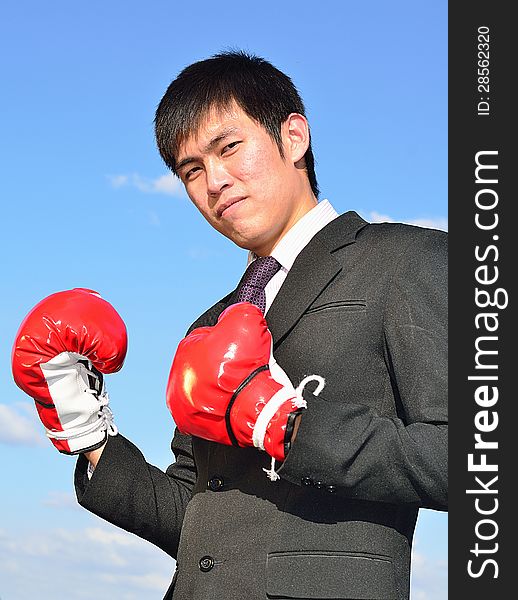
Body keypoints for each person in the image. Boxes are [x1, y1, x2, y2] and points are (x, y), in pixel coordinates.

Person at [11, 50, 447, 599]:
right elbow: (198, 521)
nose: (214, 181)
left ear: (293, 137)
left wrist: (286, 427)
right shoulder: (212, 323)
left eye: (229, 148)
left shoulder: (407, 260)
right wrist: (87, 433)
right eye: (191, 170)